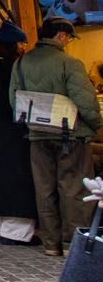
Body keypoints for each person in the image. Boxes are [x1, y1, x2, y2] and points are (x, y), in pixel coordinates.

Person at [9, 18, 103, 256]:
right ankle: (74, 244)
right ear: (61, 36)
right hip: (70, 135)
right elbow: (86, 102)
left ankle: (51, 243)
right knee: (74, 189)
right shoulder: (69, 63)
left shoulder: (21, 62)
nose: (69, 42)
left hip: (37, 135)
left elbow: (14, 99)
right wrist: (97, 125)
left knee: (44, 188)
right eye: (69, 38)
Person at [0, 21, 38, 245]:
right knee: (15, 177)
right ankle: (16, 233)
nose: (23, 48)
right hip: (8, 131)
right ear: (13, 44)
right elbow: (13, 99)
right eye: (21, 43)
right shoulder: (4, 66)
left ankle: (3, 227)